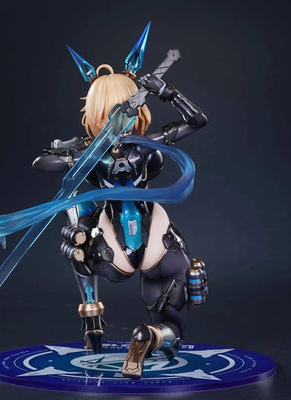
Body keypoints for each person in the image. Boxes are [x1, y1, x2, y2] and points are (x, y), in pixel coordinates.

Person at [31, 44, 208, 378]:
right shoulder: (144, 145)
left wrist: (73, 153)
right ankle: (147, 335)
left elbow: (41, 162)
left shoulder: (132, 146)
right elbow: (197, 120)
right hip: (158, 242)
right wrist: (167, 92)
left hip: (111, 251)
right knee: (173, 331)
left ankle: (92, 317)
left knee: (78, 212)